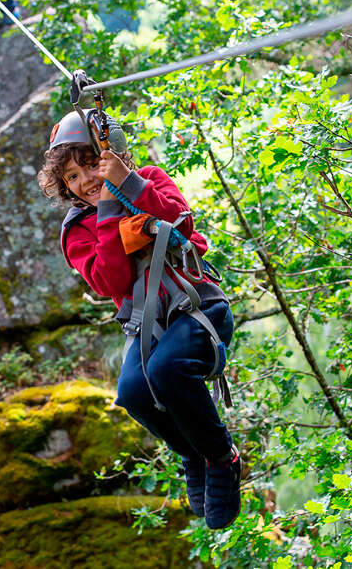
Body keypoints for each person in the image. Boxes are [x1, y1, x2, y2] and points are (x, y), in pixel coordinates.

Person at [37, 109, 241, 530]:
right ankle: (194, 453)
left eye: (90, 164)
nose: (85, 181)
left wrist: (130, 186)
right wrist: (111, 215)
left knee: (168, 371)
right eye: (72, 177)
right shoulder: (78, 229)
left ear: (110, 155)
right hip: (148, 327)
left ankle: (222, 458)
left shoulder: (146, 179)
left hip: (199, 309)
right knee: (133, 392)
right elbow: (110, 280)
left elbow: (185, 227)